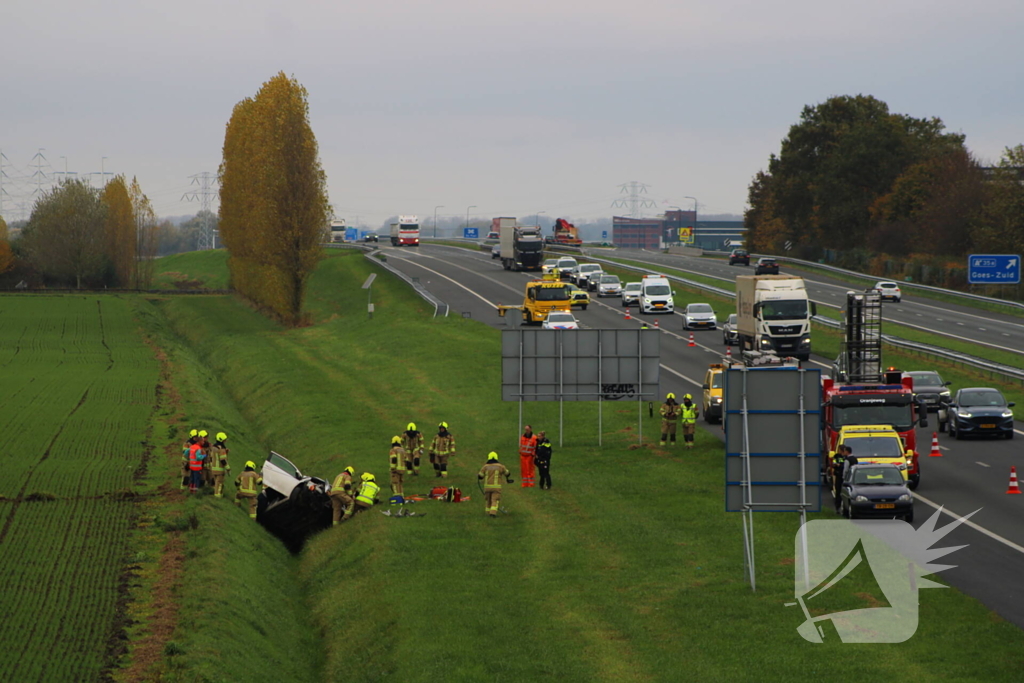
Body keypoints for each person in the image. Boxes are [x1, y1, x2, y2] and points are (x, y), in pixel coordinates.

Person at [478, 452, 513, 517]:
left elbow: (480, 476)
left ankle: (487, 512)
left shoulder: (485, 466)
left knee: (488, 500)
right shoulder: (500, 466)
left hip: (487, 487)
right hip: (496, 487)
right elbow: (507, 473)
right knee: (494, 500)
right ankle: (492, 513)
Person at [209, 432, 231, 498]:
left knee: (215, 483)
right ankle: (217, 497)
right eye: (224, 440)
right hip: (220, 470)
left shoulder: (213, 447)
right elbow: (223, 460)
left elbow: (211, 457)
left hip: (213, 468)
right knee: (219, 484)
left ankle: (214, 494)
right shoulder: (222, 449)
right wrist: (228, 468)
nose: (225, 441)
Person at [832, 445, 851, 513]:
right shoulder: (836, 456)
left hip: (844, 477)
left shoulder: (846, 457)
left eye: (839, 449)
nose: (838, 451)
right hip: (838, 475)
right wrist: (836, 464)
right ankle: (837, 507)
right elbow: (834, 463)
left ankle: (844, 507)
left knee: (844, 492)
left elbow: (845, 466)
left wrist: (840, 465)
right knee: (838, 492)